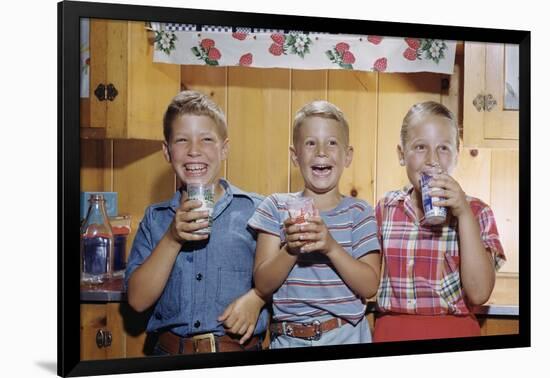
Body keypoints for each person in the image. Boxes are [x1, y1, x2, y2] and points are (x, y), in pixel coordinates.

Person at [125, 90, 268, 355]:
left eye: (206, 140)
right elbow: (137, 300)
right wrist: (171, 238)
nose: (194, 151)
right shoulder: (156, 219)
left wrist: (258, 297)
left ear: (224, 148)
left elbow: (284, 279)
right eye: (182, 140)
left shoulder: (256, 211)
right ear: (167, 152)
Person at [248, 100, 381, 348]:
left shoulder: (359, 211)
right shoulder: (275, 207)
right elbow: (263, 284)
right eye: (310, 143)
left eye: (332, 143)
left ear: (347, 156)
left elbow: (370, 285)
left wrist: (331, 247)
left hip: (347, 335)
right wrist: (291, 248)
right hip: (288, 339)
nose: (321, 151)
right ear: (295, 156)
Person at [373, 101, 506, 342]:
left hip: (454, 331)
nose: (432, 160)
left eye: (443, 148)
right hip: (392, 331)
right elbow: (368, 281)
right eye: (420, 147)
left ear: (457, 153)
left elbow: (479, 293)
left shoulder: (478, 211)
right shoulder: (386, 208)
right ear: (402, 154)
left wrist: (463, 213)